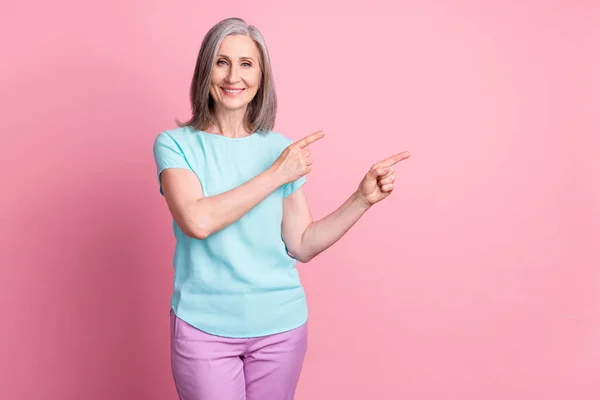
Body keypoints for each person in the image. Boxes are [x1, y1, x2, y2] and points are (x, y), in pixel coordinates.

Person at [153, 17, 410, 400]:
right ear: (205, 70)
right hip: (203, 328)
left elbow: (302, 244)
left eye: (246, 63)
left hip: (280, 327)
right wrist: (277, 174)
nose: (232, 76)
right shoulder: (175, 144)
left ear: (261, 76)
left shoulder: (280, 148)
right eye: (221, 62)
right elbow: (197, 220)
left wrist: (361, 199)